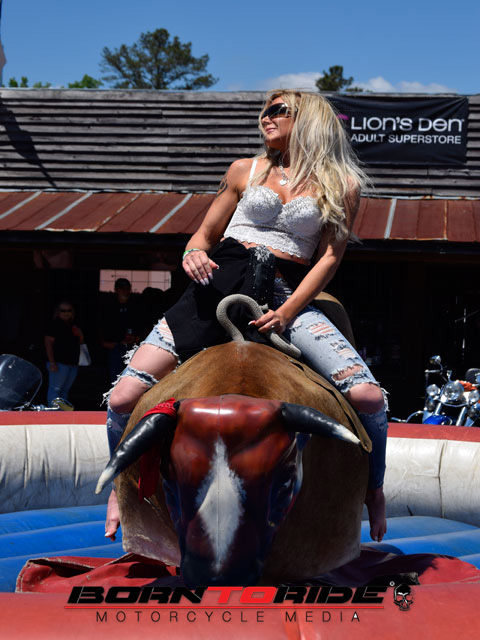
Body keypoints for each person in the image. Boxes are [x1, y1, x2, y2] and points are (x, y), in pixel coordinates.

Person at [104, 90, 388, 544]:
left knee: (369, 396)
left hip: (286, 294)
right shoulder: (244, 170)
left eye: (277, 110)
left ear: (308, 118)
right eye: (263, 111)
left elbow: (330, 258)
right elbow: (203, 235)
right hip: (217, 285)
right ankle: (118, 487)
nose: (265, 118)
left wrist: (288, 311)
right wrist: (193, 254)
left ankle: (374, 488)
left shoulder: (341, 185)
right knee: (122, 397)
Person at [101, 278, 142, 383]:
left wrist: (136, 338)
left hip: (131, 347)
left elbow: (141, 325)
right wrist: (105, 343)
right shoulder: (108, 307)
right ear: (116, 290)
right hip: (115, 347)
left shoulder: (135, 306)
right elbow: (102, 327)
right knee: (116, 379)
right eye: (122, 288)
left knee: (132, 379)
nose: (125, 291)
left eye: (127, 288)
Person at [44, 301, 83, 405]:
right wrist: (52, 362)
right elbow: (48, 344)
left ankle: (61, 412)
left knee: (65, 390)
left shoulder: (73, 325)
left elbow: (80, 343)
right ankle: (53, 412)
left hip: (72, 363)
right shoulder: (54, 325)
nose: (66, 313)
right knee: (55, 389)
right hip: (58, 363)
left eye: (69, 310)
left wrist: (80, 335)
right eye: (63, 310)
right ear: (58, 312)